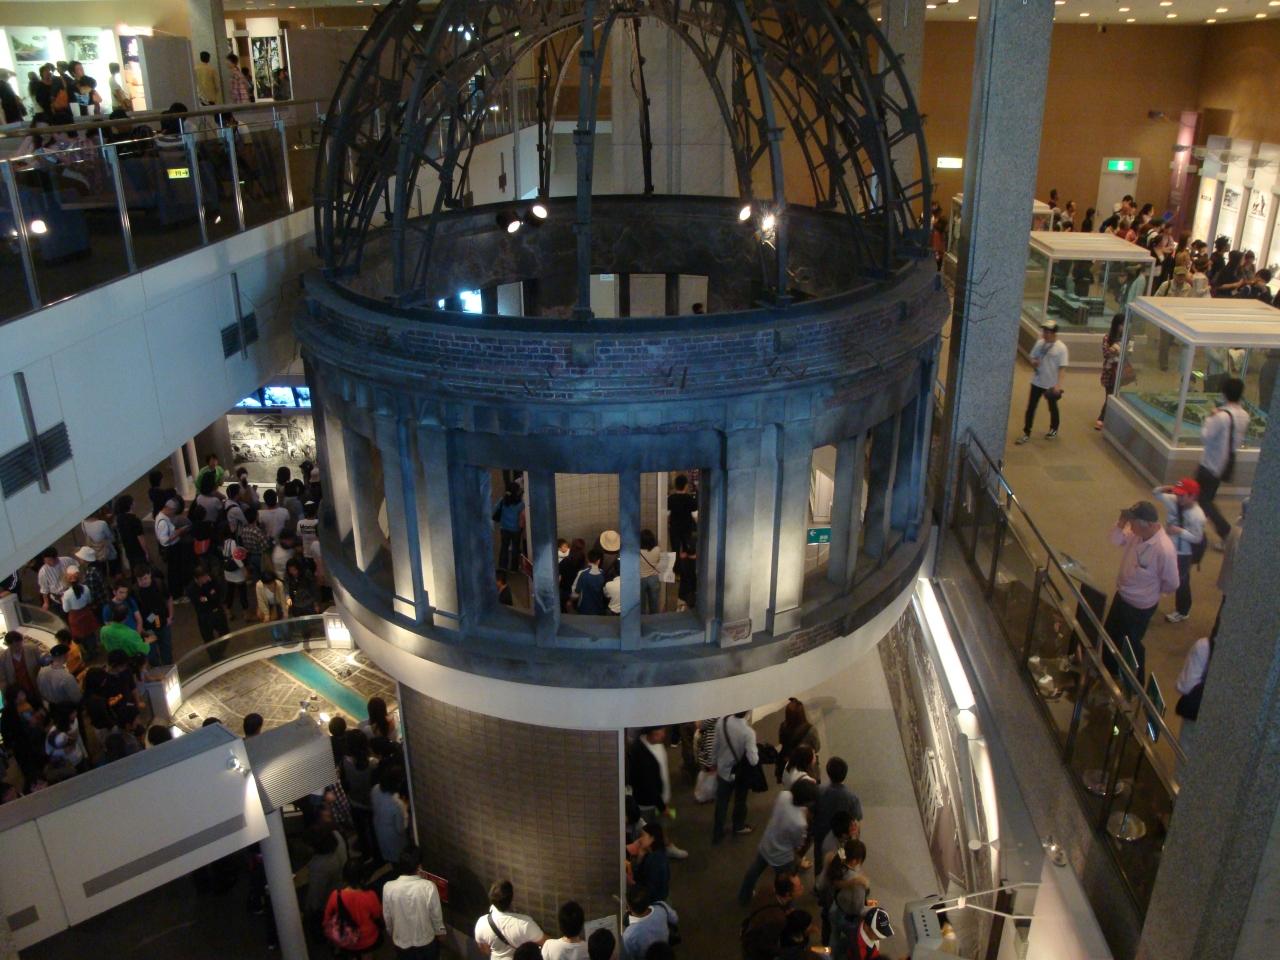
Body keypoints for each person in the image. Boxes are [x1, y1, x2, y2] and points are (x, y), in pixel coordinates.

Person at [1103, 501, 1179, 681]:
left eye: (1132, 521)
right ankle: (1110, 672)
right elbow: (1115, 540)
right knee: (1111, 635)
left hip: (1139, 606)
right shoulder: (1136, 534)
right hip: (1122, 595)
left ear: (1148, 524)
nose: (1129, 525)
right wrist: (1121, 522)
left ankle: (1135, 682)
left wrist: (1150, 592)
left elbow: (1172, 583)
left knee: (1130, 644)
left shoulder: (1164, 549)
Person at [737, 778, 818, 905]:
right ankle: (786, 907)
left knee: (754, 871)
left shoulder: (784, 795)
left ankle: (744, 895)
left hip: (767, 843)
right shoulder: (800, 822)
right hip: (782, 857)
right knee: (786, 885)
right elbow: (798, 844)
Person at [1196, 377, 1250, 545]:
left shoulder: (1221, 416)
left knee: (1202, 499)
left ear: (1224, 393)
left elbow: (1205, 436)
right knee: (1206, 499)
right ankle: (1197, 529)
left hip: (1210, 463)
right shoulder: (1244, 415)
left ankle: (1225, 532)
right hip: (1224, 465)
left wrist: (1209, 418)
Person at [1153, 478, 1206, 623]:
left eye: (1182, 495)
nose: (1178, 498)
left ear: (1193, 496)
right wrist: (1168, 488)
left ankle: (1183, 611)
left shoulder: (1197, 515)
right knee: (1160, 572)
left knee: (1181, 581)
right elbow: (1156, 493)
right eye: (1177, 494)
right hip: (1168, 546)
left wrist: (1179, 531)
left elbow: (1197, 538)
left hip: (1183, 554)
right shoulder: (1173, 500)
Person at [382, 849, 447, 959]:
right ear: (419, 866)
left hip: (401, 942)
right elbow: (436, 915)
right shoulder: (428, 887)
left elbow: (387, 916)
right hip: (426, 940)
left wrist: (391, 932)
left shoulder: (388, 887)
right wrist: (441, 932)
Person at [1016, 320, 1068, 444]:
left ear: (1053, 333)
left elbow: (1062, 369)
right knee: (1031, 408)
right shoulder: (1039, 344)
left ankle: (1053, 429)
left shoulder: (1061, 348)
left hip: (1051, 385)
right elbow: (1032, 357)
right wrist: (1034, 362)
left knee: (1052, 407)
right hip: (1037, 382)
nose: (1044, 334)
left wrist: (1058, 386)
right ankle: (1026, 432)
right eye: (1044, 331)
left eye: (1047, 331)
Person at [712, 710, 759, 843]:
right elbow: (753, 760)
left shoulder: (722, 721)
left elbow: (715, 745)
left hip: (723, 771)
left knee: (721, 802)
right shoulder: (748, 732)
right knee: (740, 800)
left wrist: (713, 762)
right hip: (740, 773)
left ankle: (718, 831)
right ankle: (738, 826)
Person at [323, 861, 383, 959]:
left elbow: (327, 919)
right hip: (369, 939)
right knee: (367, 954)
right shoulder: (370, 895)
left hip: (345, 939)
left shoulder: (336, 895)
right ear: (363, 877)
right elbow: (377, 915)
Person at [473, 879, 545, 958]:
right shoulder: (525, 923)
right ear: (511, 899)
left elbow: (484, 950)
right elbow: (546, 944)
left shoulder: (481, 923)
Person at [813, 756, 862, 865]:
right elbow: (857, 818)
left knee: (819, 858)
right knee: (841, 858)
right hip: (841, 836)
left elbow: (813, 810)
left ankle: (819, 873)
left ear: (828, 772)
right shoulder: (852, 798)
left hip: (821, 833)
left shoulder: (819, 790)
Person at [741, 872, 800, 960]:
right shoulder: (778, 919)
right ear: (788, 894)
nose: (802, 888)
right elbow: (766, 945)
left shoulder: (765, 890)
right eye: (799, 888)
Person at [620, 885, 677, 960]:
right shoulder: (662, 907)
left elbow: (628, 957)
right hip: (664, 950)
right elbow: (675, 919)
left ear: (629, 908)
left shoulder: (629, 935)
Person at [187, 564, 230, 661]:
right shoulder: (191, 589)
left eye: (207, 575)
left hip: (217, 611)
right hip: (205, 616)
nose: (207, 578)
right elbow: (200, 602)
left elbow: (218, 593)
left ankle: (218, 653)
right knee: (208, 638)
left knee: (225, 634)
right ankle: (214, 657)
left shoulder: (212, 580)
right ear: (197, 578)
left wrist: (209, 597)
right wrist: (210, 596)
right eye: (204, 577)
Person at [133, 564, 174, 666]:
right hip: (147, 629)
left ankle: (168, 669)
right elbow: (135, 611)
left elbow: (169, 599)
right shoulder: (135, 591)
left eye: (145, 578)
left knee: (167, 649)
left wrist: (170, 616)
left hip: (164, 623)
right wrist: (141, 628)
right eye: (140, 580)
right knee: (151, 654)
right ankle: (157, 670)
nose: (143, 582)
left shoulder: (159, 584)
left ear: (150, 575)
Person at [775, 697, 820, 783]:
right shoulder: (811, 730)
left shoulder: (783, 727)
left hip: (789, 765)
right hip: (807, 767)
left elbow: (781, 741)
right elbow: (817, 747)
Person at [371, 765, 409, 865]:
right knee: (398, 858)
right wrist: (405, 809)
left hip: (379, 828)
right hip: (393, 836)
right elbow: (400, 828)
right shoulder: (397, 804)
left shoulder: (375, 789)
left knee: (389, 855)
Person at [60, 565, 100, 657]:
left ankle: (84, 654)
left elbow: (66, 609)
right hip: (86, 613)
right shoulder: (86, 588)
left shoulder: (66, 594)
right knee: (90, 634)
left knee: (80, 637)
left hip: (75, 617)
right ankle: (93, 651)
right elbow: (89, 600)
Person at [155, 498, 190, 599]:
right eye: (173, 511)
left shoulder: (161, 516)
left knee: (174, 571)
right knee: (174, 572)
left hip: (172, 548)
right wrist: (179, 532)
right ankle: (176, 594)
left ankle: (176, 592)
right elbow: (165, 540)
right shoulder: (163, 522)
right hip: (171, 549)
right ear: (169, 509)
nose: (174, 514)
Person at [1097, 314, 1126, 430]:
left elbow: (1129, 354)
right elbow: (1106, 354)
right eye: (1121, 324)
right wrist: (1115, 349)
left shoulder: (1127, 338)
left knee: (1115, 395)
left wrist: (1119, 350)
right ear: (1116, 325)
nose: (1123, 327)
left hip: (1121, 371)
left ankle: (1105, 419)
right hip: (1110, 372)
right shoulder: (1107, 337)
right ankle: (1101, 418)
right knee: (1109, 395)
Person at [631, 821, 671, 903]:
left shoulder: (656, 860)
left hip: (654, 902)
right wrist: (640, 857)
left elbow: (651, 889)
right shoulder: (651, 854)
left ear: (652, 838)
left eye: (643, 836)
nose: (640, 839)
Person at [1, 632, 43, 704]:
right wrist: (5, 697)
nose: (18, 648)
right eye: (14, 646)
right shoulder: (3, 658)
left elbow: (41, 665)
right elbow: (3, 680)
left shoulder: (32, 649)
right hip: (19, 694)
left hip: (35, 687)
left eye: (19, 644)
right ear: (8, 645)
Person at [492, 482, 525, 571]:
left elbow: (494, 510)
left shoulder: (503, 501)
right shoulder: (520, 504)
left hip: (504, 528)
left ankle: (503, 566)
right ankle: (514, 568)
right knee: (515, 548)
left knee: (504, 547)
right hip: (516, 529)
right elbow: (522, 517)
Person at [37, 643, 81, 708]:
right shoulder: (67, 677)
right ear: (65, 656)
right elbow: (77, 698)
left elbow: (40, 690)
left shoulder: (41, 671)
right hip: (64, 709)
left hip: (49, 707)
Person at [571, 548, 608, 614]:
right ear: (598, 561)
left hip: (584, 608)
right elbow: (604, 591)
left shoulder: (582, 573)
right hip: (599, 608)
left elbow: (576, 593)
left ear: (587, 559)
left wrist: (570, 600)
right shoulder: (602, 573)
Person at [667, 475, 697, 552]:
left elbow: (667, 513)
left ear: (675, 485)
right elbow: (695, 510)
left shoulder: (671, 498)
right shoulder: (689, 498)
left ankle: (677, 559)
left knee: (675, 550)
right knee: (687, 549)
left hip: (674, 527)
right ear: (686, 485)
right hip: (687, 527)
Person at [639, 529, 662, 614]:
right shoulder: (657, 549)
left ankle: (643, 619)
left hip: (640, 578)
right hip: (654, 578)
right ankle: (654, 618)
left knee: (641, 604)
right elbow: (660, 562)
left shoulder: (637, 551)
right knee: (654, 603)